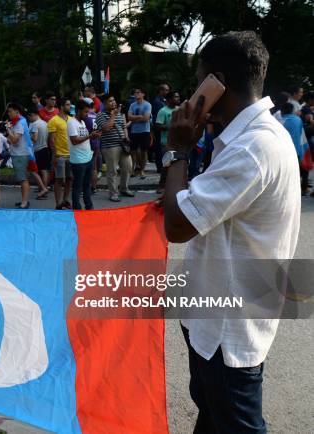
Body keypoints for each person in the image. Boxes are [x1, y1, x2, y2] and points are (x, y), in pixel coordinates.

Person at [163, 31, 300, 434]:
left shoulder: (252, 149)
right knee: (213, 416)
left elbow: (177, 226)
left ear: (217, 82)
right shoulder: (251, 138)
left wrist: (178, 150)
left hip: (227, 329)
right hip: (212, 318)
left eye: (200, 80)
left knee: (237, 424)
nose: (194, 93)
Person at [96, 95, 133, 202]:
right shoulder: (100, 115)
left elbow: (124, 127)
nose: (113, 103)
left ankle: (124, 188)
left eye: (114, 100)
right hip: (110, 147)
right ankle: (113, 193)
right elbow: (106, 128)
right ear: (104, 103)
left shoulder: (121, 114)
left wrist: (127, 138)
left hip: (123, 145)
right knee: (112, 171)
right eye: (110, 101)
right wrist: (113, 116)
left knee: (128, 167)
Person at [68, 100, 100, 210]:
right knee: (78, 186)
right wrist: (90, 136)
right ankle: (77, 209)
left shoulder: (82, 122)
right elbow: (75, 140)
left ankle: (89, 206)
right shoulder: (71, 122)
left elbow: (85, 138)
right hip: (78, 160)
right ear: (79, 111)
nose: (87, 115)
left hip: (88, 157)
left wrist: (94, 136)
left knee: (87, 185)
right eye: (85, 112)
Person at [6, 103, 33, 208]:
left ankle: (25, 202)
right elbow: (12, 140)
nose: (8, 113)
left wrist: (8, 130)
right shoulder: (17, 123)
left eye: (10, 111)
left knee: (23, 179)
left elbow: (15, 140)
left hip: (20, 154)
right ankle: (24, 200)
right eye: (8, 111)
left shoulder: (19, 123)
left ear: (17, 112)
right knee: (21, 178)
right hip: (17, 153)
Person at [48, 98, 72, 209]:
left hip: (71, 155)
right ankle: (58, 203)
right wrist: (55, 154)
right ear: (62, 107)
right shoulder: (54, 120)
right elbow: (51, 140)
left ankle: (66, 200)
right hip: (60, 155)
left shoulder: (72, 119)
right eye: (67, 105)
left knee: (69, 178)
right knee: (59, 180)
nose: (70, 107)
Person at [279, 101, 308, 194]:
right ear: (292, 111)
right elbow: (301, 135)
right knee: (298, 172)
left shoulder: (280, 121)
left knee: (287, 173)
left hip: (285, 152)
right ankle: (299, 190)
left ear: (281, 111)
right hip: (298, 151)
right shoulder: (298, 120)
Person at [155, 90, 181, 192]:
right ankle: (161, 186)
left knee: (178, 165)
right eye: (175, 97)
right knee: (166, 165)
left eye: (178, 97)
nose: (177, 99)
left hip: (178, 142)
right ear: (169, 99)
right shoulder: (163, 111)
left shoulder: (179, 110)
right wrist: (171, 126)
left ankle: (175, 186)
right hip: (166, 142)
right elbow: (157, 126)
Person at [128, 88, 152, 178]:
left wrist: (135, 118)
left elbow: (146, 118)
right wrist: (139, 116)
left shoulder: (147, 105)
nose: (136, 94)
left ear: (143, 94)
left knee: (144, 151)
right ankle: (133, 169)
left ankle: (142, 170)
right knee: (133, 151)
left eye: (138, 92)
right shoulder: (132, 105)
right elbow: (129, 117)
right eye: (135, 92)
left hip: (145, 131)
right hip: (134, 131)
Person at [29, 108, 51, 192]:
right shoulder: (45, 123)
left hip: (38, 149)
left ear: (33, 115)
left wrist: (27, 136)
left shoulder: (35, 124)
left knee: (39, 171)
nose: (29, 119)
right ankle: (44, 188)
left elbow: (34, 138)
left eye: (30, 117)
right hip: (45, 148)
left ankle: (42, 189)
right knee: (45, 170)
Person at [152, 84, 170, 172]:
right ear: (160, 91)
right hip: (159, 128)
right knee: (159, 148)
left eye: (168, 90)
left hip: (166, 129)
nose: (167, 92)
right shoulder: (157, 102)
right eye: (166, 90)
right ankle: (160, 167)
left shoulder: (165, 100)